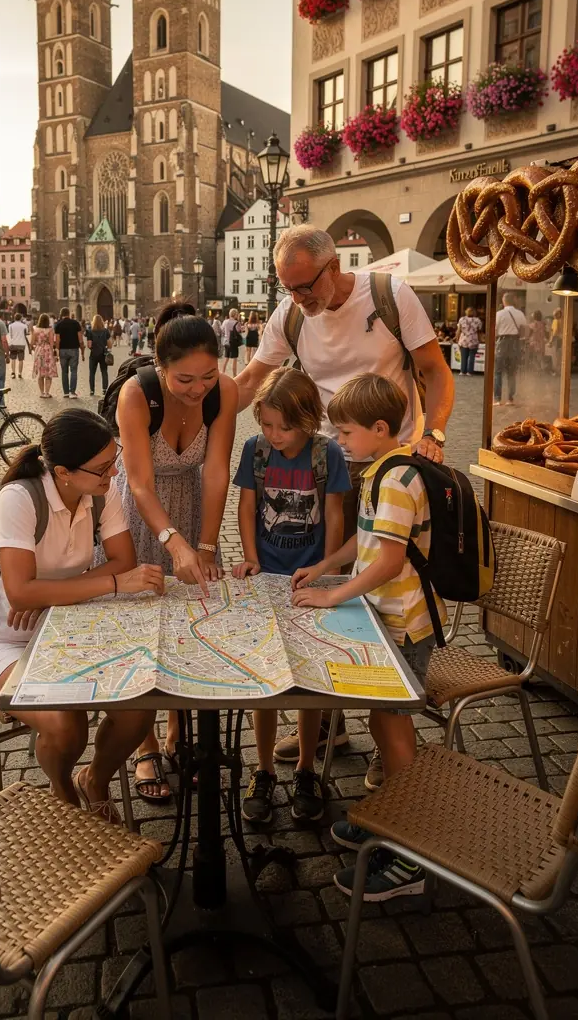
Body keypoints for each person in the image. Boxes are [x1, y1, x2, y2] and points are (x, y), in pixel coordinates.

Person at [235, 225, 453, 782]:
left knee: (381, 593)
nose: (299, 300)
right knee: (330, 593)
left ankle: (388, 729)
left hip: (390, 457)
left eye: (305, 287)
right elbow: (252, 379)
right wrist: (189, 403)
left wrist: (436, 433)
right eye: (287, 289)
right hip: (329, 462)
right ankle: (326, 723)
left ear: (332, 267)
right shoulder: (290, 316)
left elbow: (434, 370)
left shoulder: (388, 295)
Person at [0, 408, 165, 821]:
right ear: (64, 472)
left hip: (63, 623)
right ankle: (62, 787)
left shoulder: (99, 492)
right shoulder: (19, 499)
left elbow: (124, 558)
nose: (115, 471)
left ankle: (96, 779)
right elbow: (20, 591)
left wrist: (53, 596)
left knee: (139, 705)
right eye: (103, 467)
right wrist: (109, 585)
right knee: (66, 725)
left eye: (114, 457)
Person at [292, 373, 446, 901]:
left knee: (393, 727)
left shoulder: (400, 481)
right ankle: (386, 819)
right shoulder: (380, 471)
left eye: (346, 433)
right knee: (382, 721)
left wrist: (335, 596)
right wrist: (325, 567)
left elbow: (389, 561)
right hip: (387, 619)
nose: (339, 442)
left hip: (404, 622)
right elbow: (364, 536)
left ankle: (410, 853)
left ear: (380, 429)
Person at [112, 302, 238, 801]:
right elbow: (140, 485)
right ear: (160, 368)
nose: (198, 388)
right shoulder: (137, 394)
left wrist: (204, 544)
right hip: (143, 514)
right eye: (184, 379)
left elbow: (215, 469)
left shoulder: (222, 392)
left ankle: (176, 731)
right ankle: (143, 746)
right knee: (143, 625)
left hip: (193, 503)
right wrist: (173, 541)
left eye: (208, 375)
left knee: (189, 624)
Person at [232, 367, 349, 826]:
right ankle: (262, 770)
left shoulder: (328, 454)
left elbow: (335, 516)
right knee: (266, 678)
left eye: (284, 427)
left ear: (307, 420)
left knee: (309, 676)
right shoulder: (255, 451)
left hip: (309, 579)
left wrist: (331, 569)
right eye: (266, 425)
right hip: (268, 576)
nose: (274, 435)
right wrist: (249, 557)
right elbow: (245, 507)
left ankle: (304, 768)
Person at [493, 292, 527, 406]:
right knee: (511, 372)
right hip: (515, 343)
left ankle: (497, 399)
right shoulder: (520, 314)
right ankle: (510, 399)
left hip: (502, 342)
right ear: (514, 300)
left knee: (498, 372)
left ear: (504, 301)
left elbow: (494, 330)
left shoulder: (499, 314)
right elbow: (524, 330)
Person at [55, 308, 84, 398]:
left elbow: (57, 340)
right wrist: (82, 351)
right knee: (73, 371)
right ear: (69, 313)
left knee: (64, 371)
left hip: (63, 350)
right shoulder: (75, 323)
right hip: (74, 349)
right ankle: (72, 392)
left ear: (61, 314)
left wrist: (57, 351)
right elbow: (80, 339)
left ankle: (66, 392)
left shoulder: (58, 324)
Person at [31, 313, 57, 398]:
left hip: (38, 351)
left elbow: (32, 342)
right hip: (47, 351)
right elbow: (51, 342)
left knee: (41, 373)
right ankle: (47, 392)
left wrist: (37, 344)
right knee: (48, 373)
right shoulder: (50, 330)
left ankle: (42, 393)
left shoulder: (35, 329)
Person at [86, 313, 111, 398]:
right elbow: (109, 343)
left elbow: (89, 345)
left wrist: (93, 348)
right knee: (104, 372)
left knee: (92, 373)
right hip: (103, 353)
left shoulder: (90, 331)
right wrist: (107, 349)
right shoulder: (105, 331)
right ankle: (104, 389)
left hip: (93, 354)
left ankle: (92, 390)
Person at [455, 307, 483, 376]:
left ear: (466, 312)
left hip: (463, 340)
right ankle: (470, 371)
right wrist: (480, 340)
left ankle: (462, 371)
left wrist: (457, 338)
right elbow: (479, 331)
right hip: (473, 340)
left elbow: (459, 330)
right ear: (474, 312)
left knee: (463, 356)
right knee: (472, 356)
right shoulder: (478, 320)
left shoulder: (462, 319)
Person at [220, 307, 242, 377]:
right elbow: (239, 331)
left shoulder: (225, 321)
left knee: (226, 357)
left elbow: (222, 330)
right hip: (233, 342)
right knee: (234, 359)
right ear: (235, 315)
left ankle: (222, 373)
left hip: (226, 341)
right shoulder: (236, 323)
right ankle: (234, 375)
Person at [7, 312, 29, 381]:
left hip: (13, 344)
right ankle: (20, 373)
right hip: (21, 344)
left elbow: (10, 334)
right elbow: (26, 333)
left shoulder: (10, 325)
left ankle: (13, 373)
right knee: (21, 360)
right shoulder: (24, 325)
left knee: (13, 359)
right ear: (21, 318)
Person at [550, 307, 563, 376]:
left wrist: (551, 341)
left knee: (556, 356)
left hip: (557, 340)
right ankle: (560, 371)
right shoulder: (562, 320)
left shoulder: (556, 321)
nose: (554, 315)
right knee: (560, 356)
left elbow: (554, 332)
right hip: (561, 339)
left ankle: (556, 371)